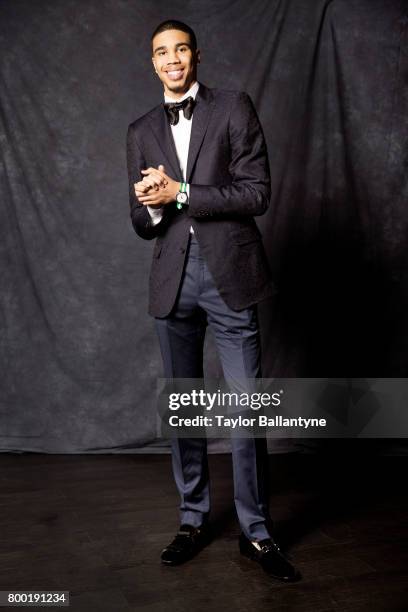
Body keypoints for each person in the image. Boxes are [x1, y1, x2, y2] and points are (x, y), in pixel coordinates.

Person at [126, 19, 300, 582]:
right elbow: (140, 220)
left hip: (230, 274)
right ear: (152, 63)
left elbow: (258, 193)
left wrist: (179, 192)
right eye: (161, 52)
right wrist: (152, 204)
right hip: (171, 279)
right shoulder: (140, 129)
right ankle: (193, 519)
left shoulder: (233, 107)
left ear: (195, 56)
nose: (171, 59)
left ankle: (257, 530)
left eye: (180, 49)